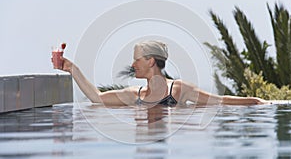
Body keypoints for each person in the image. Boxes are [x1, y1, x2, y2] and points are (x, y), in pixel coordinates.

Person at [54, 40, 267, 106]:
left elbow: (220, 101)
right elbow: (97, 99)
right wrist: (72, 69)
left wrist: (257, 102)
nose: (133, 64)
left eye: (137, 59)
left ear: (151, 61)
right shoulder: (134, 95)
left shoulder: (179, 89)